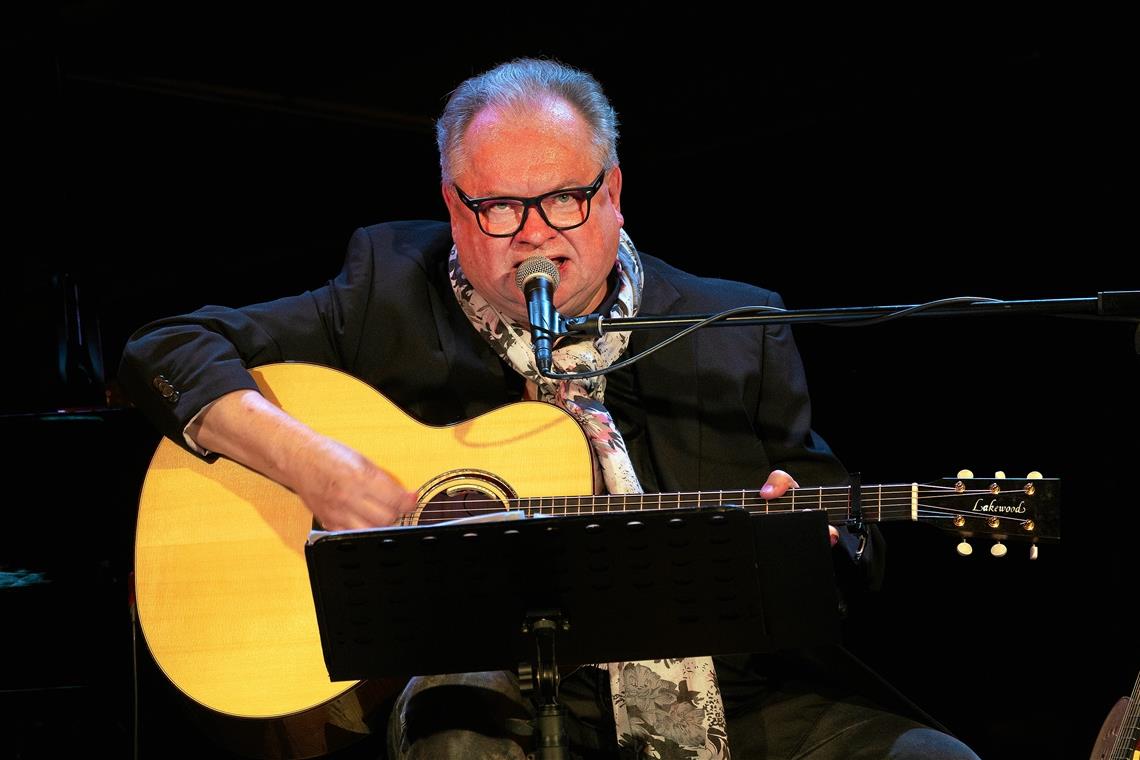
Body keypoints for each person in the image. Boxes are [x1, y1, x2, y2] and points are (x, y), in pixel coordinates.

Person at [119, 58, 979, 760]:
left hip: (732, 691)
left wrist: (822, 538)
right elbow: (163, 350)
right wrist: (320, 467)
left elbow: (845, 528)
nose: (534, 233)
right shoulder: (384, 286)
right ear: (453, 205)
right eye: (496, 207)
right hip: (481, 681)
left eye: (564, 198)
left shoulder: (737, 326)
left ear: (612, 191)